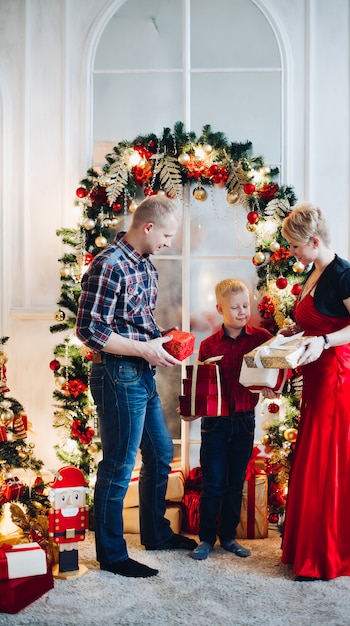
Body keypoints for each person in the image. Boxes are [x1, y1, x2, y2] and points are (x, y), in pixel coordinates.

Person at [76, 195, 197, 578]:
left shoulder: (145, 266)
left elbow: (136, 326)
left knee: (160, 453)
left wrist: (163, 341)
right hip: (116, 374)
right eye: (166, 234)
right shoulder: (108, 265)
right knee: (118, 464)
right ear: (148, 227)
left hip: (140, 372)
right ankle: (112, 556)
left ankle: (156, 534)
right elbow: (89, 330)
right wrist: (144, 348)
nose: (168, 242)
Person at [279, 201, 350, 581]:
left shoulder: (345, 275)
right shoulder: (315, 271)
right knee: (315, 458)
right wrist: (291, 336)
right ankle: (310, 549)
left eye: (295, 246)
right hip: (320, 375)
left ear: (314, 241)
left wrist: (326, 341)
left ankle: (324, 556)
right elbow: (314, 324)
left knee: (328, 461)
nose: (291, 253)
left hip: (339, 377)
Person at [187, 278, 274, 560]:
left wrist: (273, 385)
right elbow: (202, 385)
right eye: (234, 307)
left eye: (245, 306)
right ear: (220, 309)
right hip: (214, 424)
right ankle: (205, 539)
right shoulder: (209, 345)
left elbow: (277, 366)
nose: (241, 312)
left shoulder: (261, 339)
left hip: (245, 421)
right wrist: (192, 408)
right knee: (213, 484)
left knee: (236, 482)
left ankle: (228, 537)